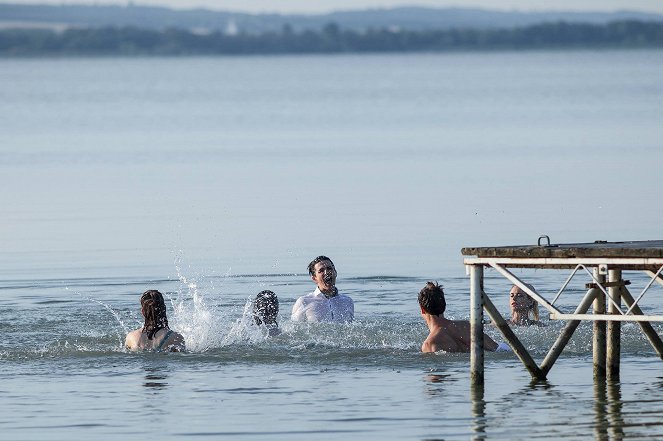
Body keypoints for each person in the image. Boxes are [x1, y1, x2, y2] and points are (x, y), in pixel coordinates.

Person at [419, 281, 506, 353]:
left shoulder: (430, 344)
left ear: (422, 309)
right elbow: (499, 349)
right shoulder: (466, 326)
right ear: (444, 305)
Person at [291, 256, 354, 322]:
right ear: (314, 278)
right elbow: (293, 329)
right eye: (321, 270)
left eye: (329, 268)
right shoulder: (304, 302)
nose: (326, 273)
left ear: (335, 273)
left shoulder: (347, 301)